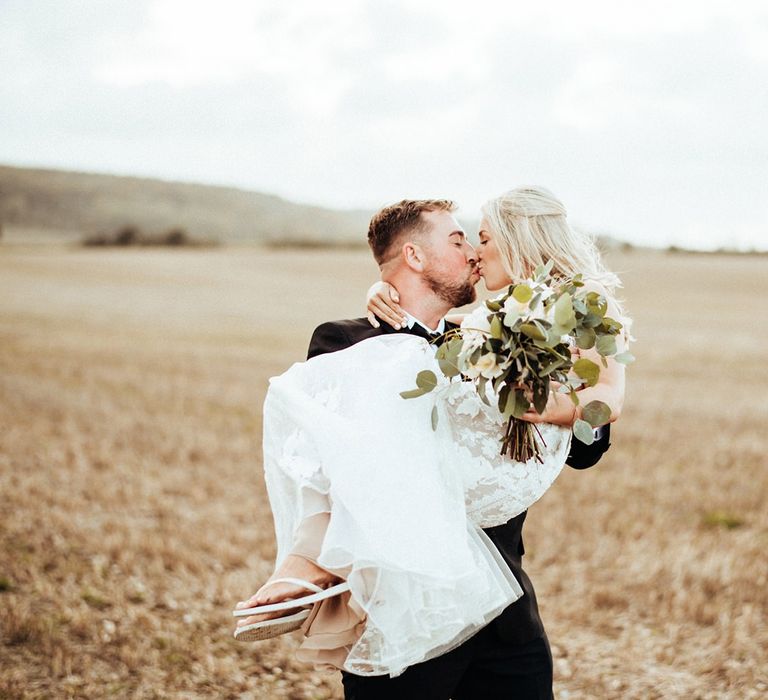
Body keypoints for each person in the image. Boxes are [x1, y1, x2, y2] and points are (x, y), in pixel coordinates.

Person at [235, 193, 626, 697]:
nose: (472, 255)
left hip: (505, 609)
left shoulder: (489, 340)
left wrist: (569, 393)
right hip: (404, 617)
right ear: (414, 257)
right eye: (459, 240)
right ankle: (301, 565)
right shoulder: (345, 343)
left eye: (476, 241)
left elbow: (584, 452)